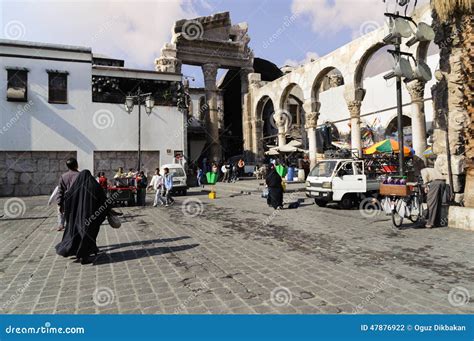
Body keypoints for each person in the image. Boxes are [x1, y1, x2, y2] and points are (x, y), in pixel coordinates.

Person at [55, 169, 110, 264]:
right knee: (88, 235)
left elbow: (68, 197)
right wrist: (108, 210)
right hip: (91, 216)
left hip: (76, 216)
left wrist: (63, 207)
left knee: (77, 234)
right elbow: (103, 199)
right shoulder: (94, 186)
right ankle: (84, 256)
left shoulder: (75, 187)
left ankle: (79, 253)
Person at [56, 158, 80, 231]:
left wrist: (59, 203)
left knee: (63, 214)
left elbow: (60, 191)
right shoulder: (81, 175)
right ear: (77, 165)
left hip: (67, 201)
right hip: (78, 200)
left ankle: (61, 224)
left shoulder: (63, 176)